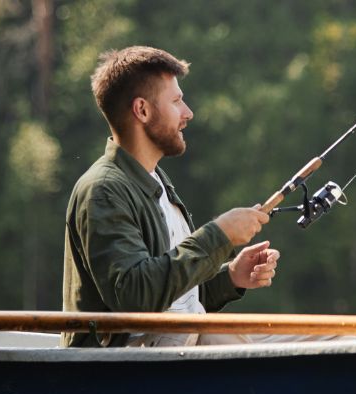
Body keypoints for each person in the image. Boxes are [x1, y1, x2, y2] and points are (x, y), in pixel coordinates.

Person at [62, 46, 278, 348]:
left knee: (339, 340)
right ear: (142, 110)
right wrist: (219, 236)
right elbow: (136, 297)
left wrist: (230, 276)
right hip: (126, 374)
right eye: (176, 101)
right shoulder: (103, 190)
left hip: (177, 352)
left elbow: (176, 295)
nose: (188, 113)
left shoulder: (157, 180)